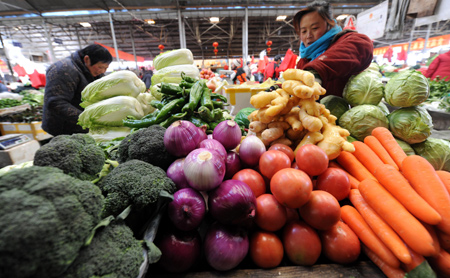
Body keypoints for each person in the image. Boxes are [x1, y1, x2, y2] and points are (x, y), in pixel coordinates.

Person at [293, 1, 373, 97]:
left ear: (329, 25)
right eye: (304, 31)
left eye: (314, 28)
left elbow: (362, 45)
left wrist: (316, 71)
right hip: (315, 111)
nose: (308, 35)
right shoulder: (304, 62)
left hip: (347, 110)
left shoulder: (349, 41)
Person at [42, 44, 113, 136]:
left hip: (82, 128)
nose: (103, 71)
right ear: (87, 59)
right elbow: (56, 103)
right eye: (100, 67)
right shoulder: (63, 69)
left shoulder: (92, 71)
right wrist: (89, 119)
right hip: (63, 129)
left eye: (105, 68)